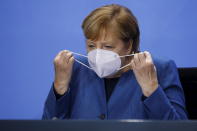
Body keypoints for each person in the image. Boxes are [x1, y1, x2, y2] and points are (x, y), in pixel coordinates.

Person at [42, 4, 187, 120]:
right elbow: (49, 125)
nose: (97, 54)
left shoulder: (160, 68)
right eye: (91, 46)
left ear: (129, 45)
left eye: (108, 46)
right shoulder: (75, 67)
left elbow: (179, 128)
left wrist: (151, 90)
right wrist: (59, 86)